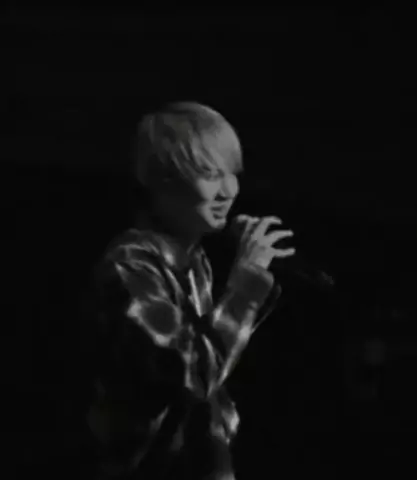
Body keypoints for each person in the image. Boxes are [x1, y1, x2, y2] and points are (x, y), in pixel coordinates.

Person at [82, 102, 295, 479]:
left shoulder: (194, 261)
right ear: (162, 180)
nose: (228, 190)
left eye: (232, 173)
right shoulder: (131, 266)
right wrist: (247, 283)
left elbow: (214, 363)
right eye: (211, 174)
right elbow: (194, 373)